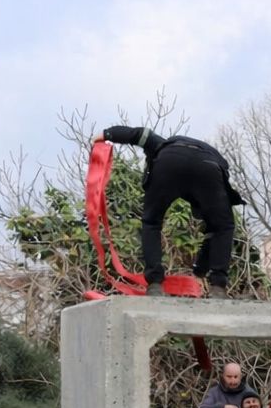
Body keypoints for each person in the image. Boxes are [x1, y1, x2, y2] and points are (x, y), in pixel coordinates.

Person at [93, 126, 245, 298]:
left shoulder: (163, 144)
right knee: (222, 227)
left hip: (169, 161)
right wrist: (200, 272)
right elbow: (215, 231)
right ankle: (218, 287)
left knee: (151, 222)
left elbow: (140, 134)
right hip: (209, 166)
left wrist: (107, 134)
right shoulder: (203, 155)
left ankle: (155, 285)